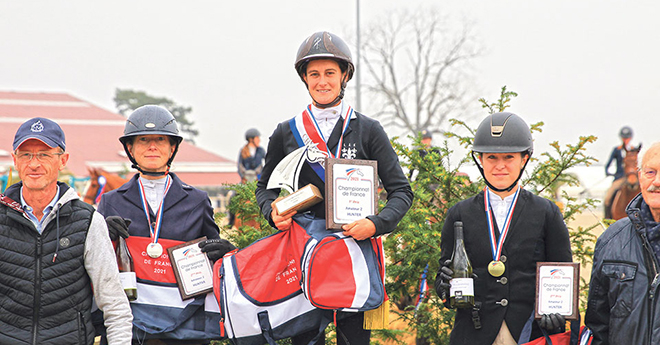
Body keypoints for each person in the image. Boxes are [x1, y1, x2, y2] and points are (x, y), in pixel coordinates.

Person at [255, 31, 414, 345]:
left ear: (344, 75)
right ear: (304, 78)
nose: (322, 81)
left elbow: (402, 192)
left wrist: (376, 223)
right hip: (303, 255)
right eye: (314, 74)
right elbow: (264, 188)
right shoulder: (286, 131)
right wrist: (272, 213)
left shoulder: (369, 129)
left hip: (353, 254)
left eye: (330, 73)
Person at [96, 105, 236, 344]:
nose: (152, 146)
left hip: (184, 325)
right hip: (129, 323)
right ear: (130, 148)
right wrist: (102, 233)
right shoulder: (111, 201)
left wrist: (227, 252)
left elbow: (214, 257)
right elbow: (96, 261)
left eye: (160, 139)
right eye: (143, 140)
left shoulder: (198, 200)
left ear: (172, 147)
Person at [434, 112, 573, 345]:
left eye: (509, 157)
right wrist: (443, 285)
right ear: (480, 160)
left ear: (524, 159)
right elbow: (445, 273)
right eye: (491, 158)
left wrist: (558, 313)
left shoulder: (547, 213)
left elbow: (562, 272)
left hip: (527, 332)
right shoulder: (459, 213)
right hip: (474, 331)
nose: (500, 166)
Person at [0, 117, 132, 344]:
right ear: (15, 160)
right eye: (26, 155)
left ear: (63, 160)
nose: (34, 164)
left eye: (44, 154)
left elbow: (114, 304)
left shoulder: (89, 221)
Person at [585, 142, 660, 345]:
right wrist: (614, 174)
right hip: (621, 177)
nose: (658, 181)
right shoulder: (610, 240)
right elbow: (598, 323)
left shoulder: (632, 148)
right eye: (650, 172)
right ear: (641, 174)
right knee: (611, 195)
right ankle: (608, 211)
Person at [603, 126, 635, 218]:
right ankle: (608, 218)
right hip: (620, 178)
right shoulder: (617, 150)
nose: (626, 140)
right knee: (607, 198)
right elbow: (608, 164)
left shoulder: (634, 150)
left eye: (627, 138)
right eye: (624, 138)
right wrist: (608, 172)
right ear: (621, 138)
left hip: (632, 178)